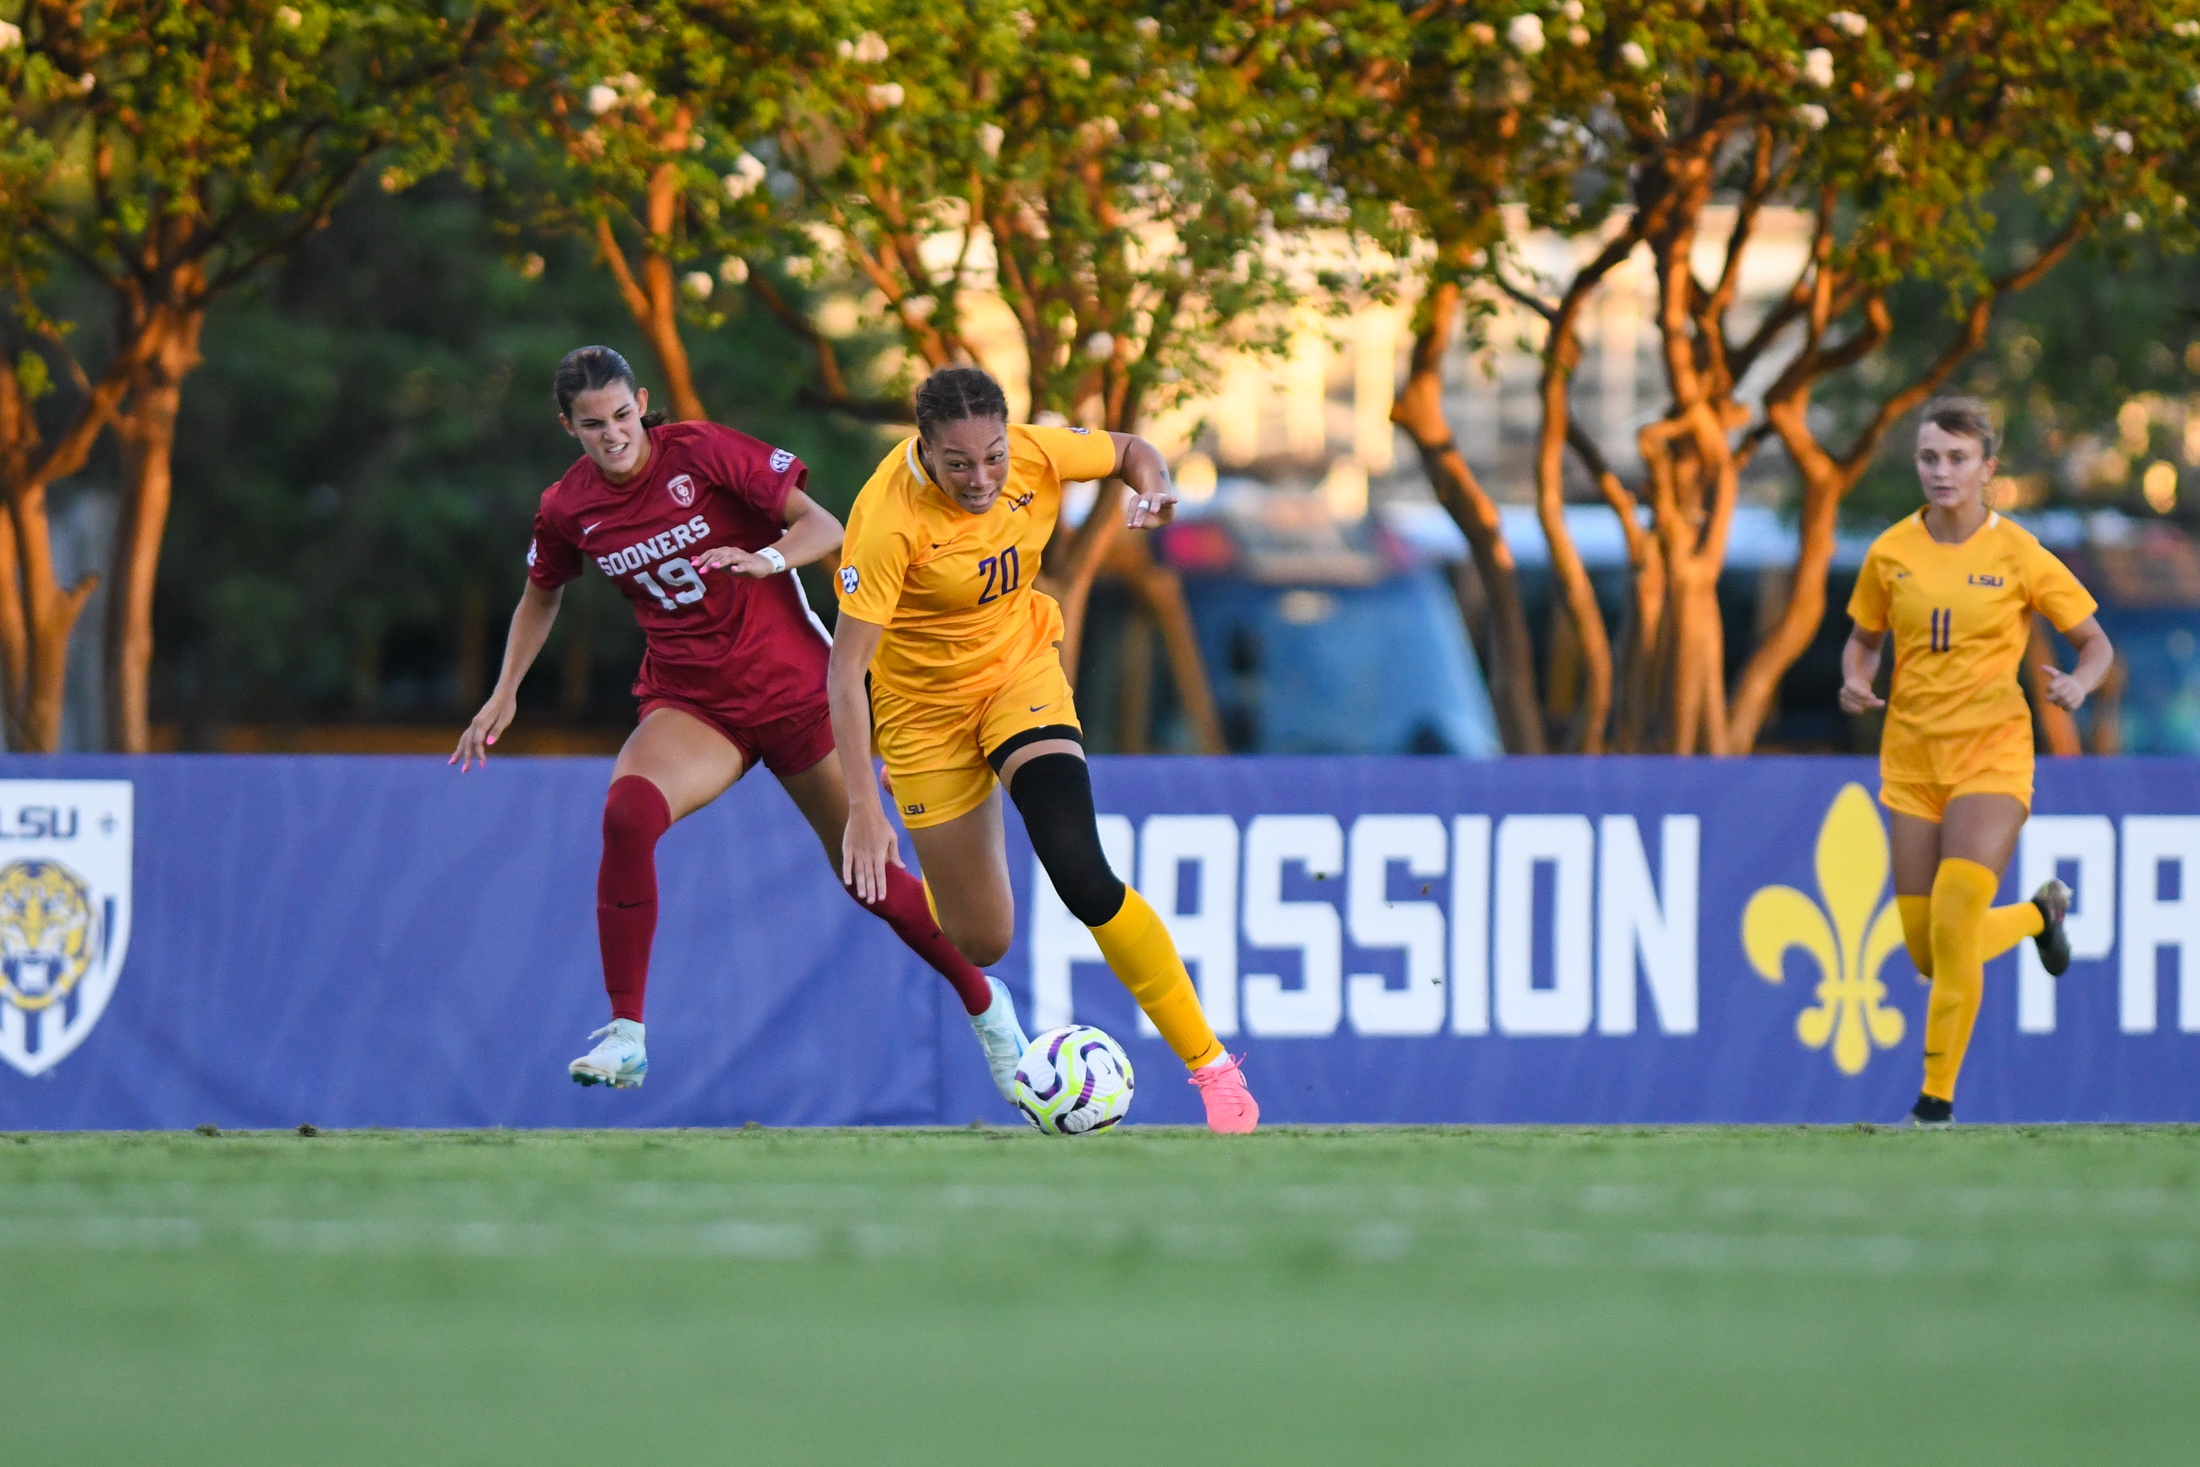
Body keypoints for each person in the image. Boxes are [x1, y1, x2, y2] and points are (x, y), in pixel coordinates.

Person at [453, 346, 1034, 1095]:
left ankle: (988, 1008)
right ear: (567, 425)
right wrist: (506, 691)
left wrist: (769, 559)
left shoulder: (702, 450)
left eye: (624, 415)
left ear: (643, 404)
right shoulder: (568, 506)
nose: (614, 434)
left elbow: (824, 526)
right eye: (593, 424)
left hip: (797, 692)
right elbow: (542, 592)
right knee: (627, 813)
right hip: (696, 703)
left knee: (871, 881)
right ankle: (627, 1032)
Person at [827, 365, 1260, 1134]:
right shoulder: (885, 520)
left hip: (1019, 675)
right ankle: (921, 800)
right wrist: (862, 801)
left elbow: (1130, 447)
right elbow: (843, 670)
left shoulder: (1035, 452)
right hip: (922, 717)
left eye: (993, 455)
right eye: (959, 463)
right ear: (923, 448)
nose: (983, 477)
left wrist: (1153, 485)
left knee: (1079, 867)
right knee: (983, 939)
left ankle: (1213, 1068)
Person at [1840, 396, 2113, 1127]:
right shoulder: (1891, 550)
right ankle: (2037, 915)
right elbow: (1864, 637)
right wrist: (1856, 676)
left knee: (1959, 916)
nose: (1941, 471)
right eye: (1930, 457)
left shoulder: (2018, 552)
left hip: (1993, 756)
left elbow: (2095, 642)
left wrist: (2077, 684)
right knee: (1931, 952)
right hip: (1910, 763)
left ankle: (1934, 1103)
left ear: (1988, 469)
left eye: (1958, 458)